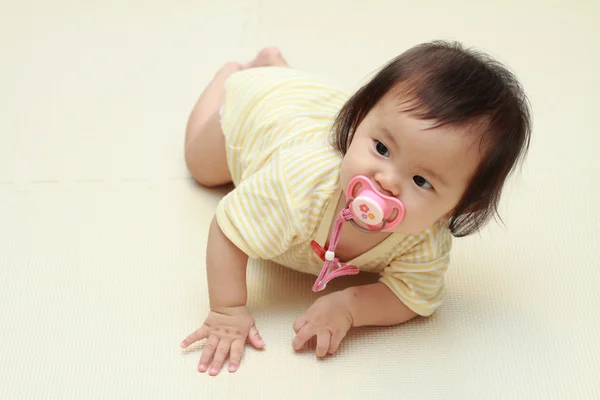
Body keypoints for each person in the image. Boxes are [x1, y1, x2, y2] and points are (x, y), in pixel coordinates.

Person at [180, 41, 531, 376]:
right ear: (357, 120)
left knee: (309, 99)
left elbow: (412, 296)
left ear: (458, 207)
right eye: (381, 148)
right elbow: (229, 231)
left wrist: (351, 307)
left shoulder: (424, 242)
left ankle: (279, 65)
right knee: (202, 169)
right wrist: (227, 311)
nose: (387, 181)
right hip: (262, 109)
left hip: (312, 103)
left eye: (421, 181)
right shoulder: (299, 186)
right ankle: (234, 75)